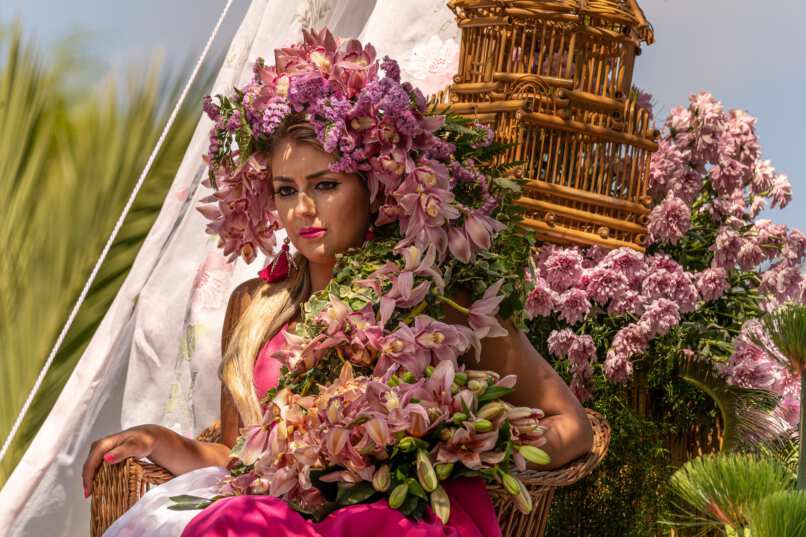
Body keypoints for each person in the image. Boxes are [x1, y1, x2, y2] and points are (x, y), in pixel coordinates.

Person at [82, 31, 593, 537]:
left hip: (394, 519)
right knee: (239, 521)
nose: (302, 210)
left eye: (325, 185)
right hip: (275, 517)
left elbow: (571, 425)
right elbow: (239, 459)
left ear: (374, 186)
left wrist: (446, 449)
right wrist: (161, 441)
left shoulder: (440, 299)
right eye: (286, 190)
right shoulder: (255, 305)